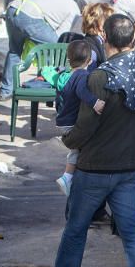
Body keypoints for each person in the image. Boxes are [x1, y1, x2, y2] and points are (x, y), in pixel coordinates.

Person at [47, 14, 135, 267]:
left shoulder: (100, 77)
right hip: (130, 165)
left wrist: (68, 141)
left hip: (96, 166)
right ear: (132, 40)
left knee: (76, 228)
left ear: (105, 40)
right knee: (131, 230)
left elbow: (86, 126)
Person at [0, 0, 81, 99]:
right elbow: (60, 36)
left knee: (14, 51)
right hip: (29, 16)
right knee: (53, 48)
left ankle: (6, 91)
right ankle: (43, 85)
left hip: (13, 8)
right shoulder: (74, 10)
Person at [46, 40, 100, 195]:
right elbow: (82, 92)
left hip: (62, 121)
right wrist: (95, 102)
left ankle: (70, 177)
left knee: (76, 149)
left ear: (68, 60)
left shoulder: (64, 76)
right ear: (89, 61)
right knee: (77, 151)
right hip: (72, 122)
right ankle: (67, 177)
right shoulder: (82, 76)